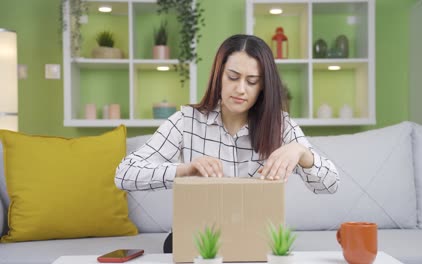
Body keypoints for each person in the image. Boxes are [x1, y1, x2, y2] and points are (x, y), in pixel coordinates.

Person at [115, 34, 339, 252]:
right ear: (218, 76)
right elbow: (123, 174)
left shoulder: (281, 125)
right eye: (233, 77)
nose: (241, 89)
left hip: (256, 239)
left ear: (263, 86)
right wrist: (185, 170)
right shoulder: (186, 121)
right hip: (196, 240)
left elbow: (331, 184)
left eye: (252, 81)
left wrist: (301, 152)